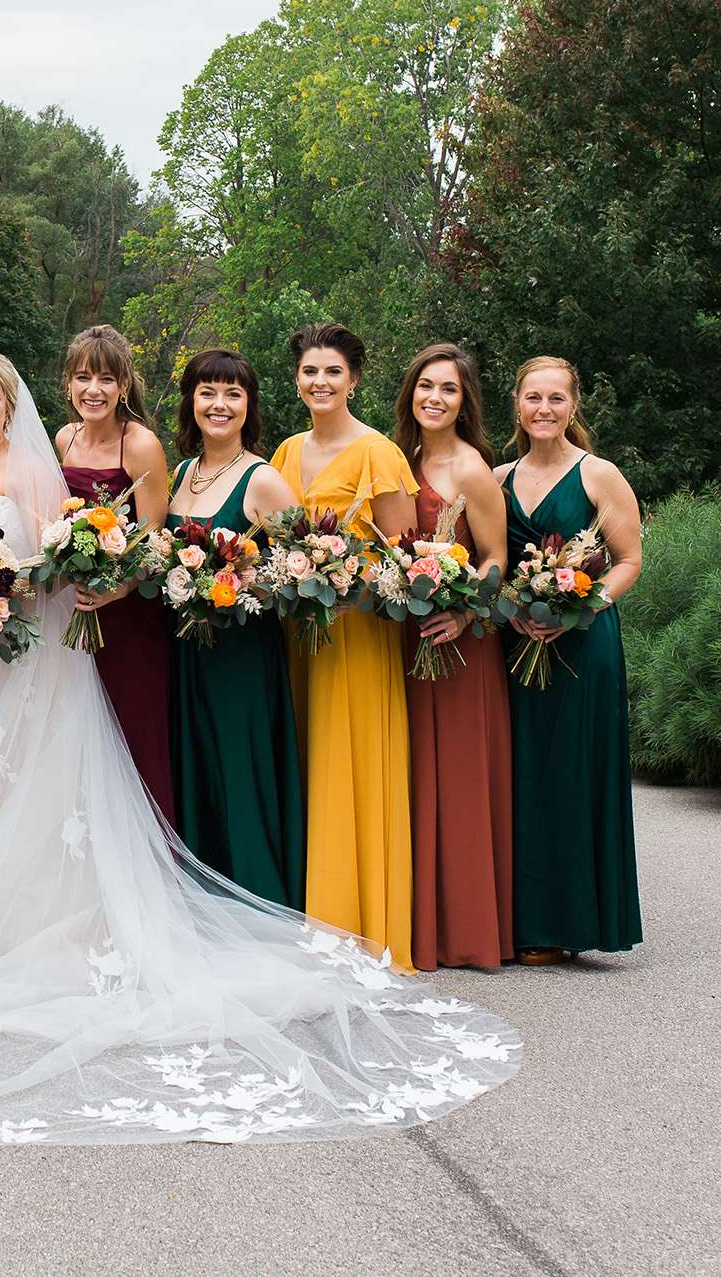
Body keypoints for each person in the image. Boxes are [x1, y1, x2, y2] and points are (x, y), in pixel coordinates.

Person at [0, 355, 520, 1145]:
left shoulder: (37, 471)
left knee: (27, 798)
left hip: (16, 662)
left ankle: (31, 933)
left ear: (11, 406)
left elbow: (54, 559)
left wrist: (0, 591)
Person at [268, 323, 420, 968]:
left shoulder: (379, 453)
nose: (320, 383)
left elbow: (404, 557)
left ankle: (355, 921)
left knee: (346, 762)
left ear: (354, 379)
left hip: (355, 634)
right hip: (292, 633)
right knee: (303, 757)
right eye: (310, 372)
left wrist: (344, 581)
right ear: (296, 380)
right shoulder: (282, 452)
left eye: (333, 372)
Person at [497, 356, 643, 964]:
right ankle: (526, 924)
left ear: (573, 406)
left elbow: (629, 560)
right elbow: (488, 562)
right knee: (524, 775)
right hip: (518, 638)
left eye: (556, 399)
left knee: (574, 772)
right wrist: (513, 609)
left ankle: (575, 924)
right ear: (517, 405)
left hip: (583, 645)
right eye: (534, 398)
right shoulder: (497, 475)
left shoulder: (598, 475)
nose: (544, 410)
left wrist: (580, 606)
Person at [165, 349, 306, 907]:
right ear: (190, 402)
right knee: (196, 767)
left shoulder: (262, 479)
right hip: (186, 651)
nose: (219, 404)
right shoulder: (181, 474)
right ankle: (203, 902)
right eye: (207, 392)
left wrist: (241, 586)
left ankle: (257, 900)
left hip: (242, 654)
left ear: (249, 406)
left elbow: (307, 569)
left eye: (233, 394)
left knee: (239, 771)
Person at [392, 345, 513, 970]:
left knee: (459, 777)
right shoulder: (399, 459)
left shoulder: (473, 470)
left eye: (448, 389)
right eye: (425, 386)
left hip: (460, 646)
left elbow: (496, 557)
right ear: (410, 393)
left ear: (465, 402)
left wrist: (465, 611)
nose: (434, 398)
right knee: (413, 773)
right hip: (406, 637)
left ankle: (466, 929)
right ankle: (416, 924)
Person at [53, 325, 176, 822]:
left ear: (123, 385)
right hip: (74, 604)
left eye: (106, 378)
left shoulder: (140, 444)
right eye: (83, 377)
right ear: (68, 384)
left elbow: (154, 540)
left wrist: (117, 588)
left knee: (131, 729)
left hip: (129, 614)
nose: (94, 390)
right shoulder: (64, 438)